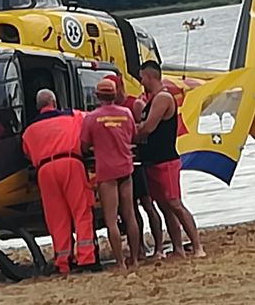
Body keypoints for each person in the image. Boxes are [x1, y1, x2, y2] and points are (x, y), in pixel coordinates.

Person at [21, 89, 98, 274]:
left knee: (57, 218)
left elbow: (27, 153)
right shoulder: (73, 116)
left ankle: (63, 260)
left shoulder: (29, 131)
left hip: (45, 170)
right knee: (81, 211)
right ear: (54, 102)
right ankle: (86, 257)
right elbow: (91, 124)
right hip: (71, 162)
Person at [136, 60, 206, 259]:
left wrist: (130, 133)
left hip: (165, 159)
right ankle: (177, 248)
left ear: (149, 77)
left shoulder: (163, 98)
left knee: (175, 203)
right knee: (164, 205)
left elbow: (148, 127)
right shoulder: (151, 100)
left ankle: (197, 246)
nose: (141, 81)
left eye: (142, 78)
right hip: (152, 160)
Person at [105, 73, 168, 258]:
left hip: (138, 161)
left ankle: (158, 246)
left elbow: (144, 130)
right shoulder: (111, 109)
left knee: (148, 204)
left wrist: (129, 140)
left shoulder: (134, 105)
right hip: (123, 163)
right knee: (130, 208)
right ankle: (139, 247)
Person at [81, 78, 140, 270]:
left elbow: (84, 145)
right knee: (129, 214)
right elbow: (133, 136)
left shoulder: (91, 118)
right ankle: (135, 258)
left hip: (106, 171)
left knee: (111, 219)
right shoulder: (126, 113)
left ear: (97, 96)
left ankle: (120, 262)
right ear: (114, 95)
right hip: (125, 168)